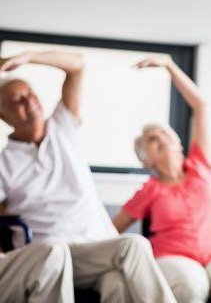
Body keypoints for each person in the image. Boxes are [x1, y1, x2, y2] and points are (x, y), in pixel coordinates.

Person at [0, 51, 176, 303]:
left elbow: (77, 66)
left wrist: (29, 57)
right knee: (133, 245)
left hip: (100, 249)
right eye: (18, 100)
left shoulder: (63, 127)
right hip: (55, 258)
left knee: (116, 284)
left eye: (30, 94)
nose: (29, 102)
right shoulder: (5, 164)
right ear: (3, 116)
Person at [112, 56, 211, 303]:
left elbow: (201, 106)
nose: (161, 138)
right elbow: (112, 230)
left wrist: (169, 66)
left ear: (177, 141)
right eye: (152, 139)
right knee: (190, 286)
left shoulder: (200, 165)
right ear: (147, 160)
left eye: (164, 133)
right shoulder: (149, 190)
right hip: (173, 256)